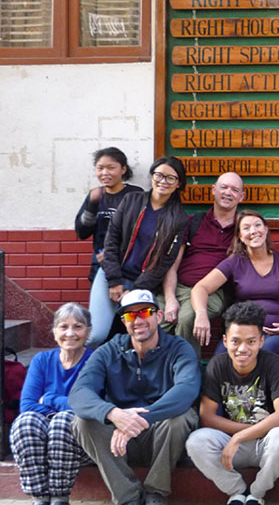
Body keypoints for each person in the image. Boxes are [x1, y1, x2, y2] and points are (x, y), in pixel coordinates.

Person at [69, 289, 201, 505]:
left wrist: (138, 421)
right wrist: (114, 414)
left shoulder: (178, 348)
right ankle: (128, 498)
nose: (138, 320)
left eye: (144, 312)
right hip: (120, 442)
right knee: (82, 421)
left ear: (158, 316)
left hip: (161, 436)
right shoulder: (109, 351)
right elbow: (79, 393)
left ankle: (156, 494)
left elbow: (186, 391)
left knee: (180, 417)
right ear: (124, 322)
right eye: (130, 316)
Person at [185, 302, 279, 505]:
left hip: (265, 442)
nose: (242, 349)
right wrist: (239, 435)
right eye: (235, 341)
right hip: (232, 444)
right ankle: (237, 492)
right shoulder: (218, 365)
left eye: (251, 342)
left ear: (261, 341)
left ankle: (256, 494)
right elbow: (207, 416)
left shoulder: (274, 364)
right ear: (225, 341)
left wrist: (241, 436)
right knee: (196, 441)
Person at [88, 157, 190, 348]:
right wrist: (114, 281)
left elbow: (164, 262)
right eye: (159, 175)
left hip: (142, 285)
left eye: (170, 178)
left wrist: (134, 290)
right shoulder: (132, 200)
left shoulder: (179, 218)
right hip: (111, 276)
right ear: (152, 176)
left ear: (178, 184)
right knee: (95, 336)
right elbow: (112, 239)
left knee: (127, 338)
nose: (163, 181)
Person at [10, 303, 95, 505]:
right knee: (27, 422)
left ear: (88, 331)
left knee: (63, 422)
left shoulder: (95, 360)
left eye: (78, 327)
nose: (70, 333)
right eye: (63, 326)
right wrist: (62, 408)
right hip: (47, 438)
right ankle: (39, 498)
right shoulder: (41, 360)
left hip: (81, 442)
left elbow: (87, 406)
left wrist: (48, 399)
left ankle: (59, 497)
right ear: (54, 331)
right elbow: (27, 405)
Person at [190, 210, 279, 357]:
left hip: (275, 334)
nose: (253, 231)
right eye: (246, 228)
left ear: (265, 230)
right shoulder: (235, 262)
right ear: (240, 237)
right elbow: (200, 288)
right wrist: (201, 314)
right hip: (242, 331)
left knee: (264, 351)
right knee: (220, 358)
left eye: (258, 225)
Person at [159, 172, 245, 356]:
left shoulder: (243, 227)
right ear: (214, 190)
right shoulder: (193, 222)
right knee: (151, 319)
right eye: (224, 187)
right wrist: (170, 298)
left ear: (241, 196)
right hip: (179, 288)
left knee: (187, 318)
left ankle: (188, 376)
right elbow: (172, 265)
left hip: (214, 292)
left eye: (235, 190)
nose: (228, 193)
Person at [74, 147, 143, 284]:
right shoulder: (95, 195)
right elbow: (82, 232)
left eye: (111, 168)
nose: (105, 173)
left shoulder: (135, 194)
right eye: (100, 168)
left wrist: (113, 254)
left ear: (123, 169)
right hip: (100, 264)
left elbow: (141, 230)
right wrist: (92, 205)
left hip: (128, 265)